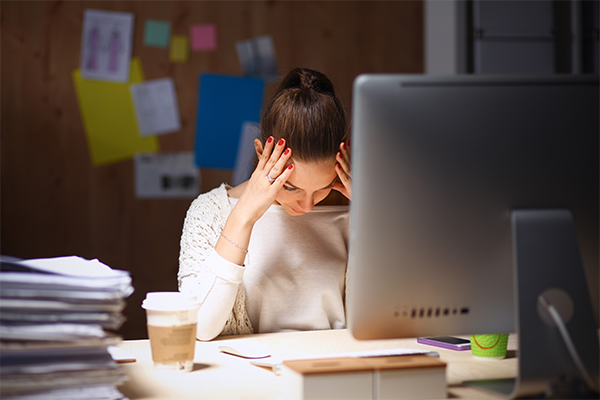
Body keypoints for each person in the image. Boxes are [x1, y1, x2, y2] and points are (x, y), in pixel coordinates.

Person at [178, 67, 352, 341]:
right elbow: (200, 327)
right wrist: (242, 217)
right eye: (291, 186)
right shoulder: (208, 212)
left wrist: (373, 214)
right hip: (249, 377)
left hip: (338, 370)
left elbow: (399, 318)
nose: (306, 205)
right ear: (262, 153)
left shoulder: (353, 212)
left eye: (322, 188)